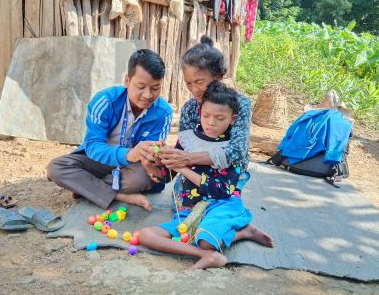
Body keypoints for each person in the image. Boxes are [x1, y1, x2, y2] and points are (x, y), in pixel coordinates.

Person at [153, 36, 274, 248]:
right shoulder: (191, 107)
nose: (194, 89)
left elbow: (236, 152)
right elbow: (185, 144)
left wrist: (186, 159)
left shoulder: (240, 104)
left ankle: (234, 225)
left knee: (219, 201)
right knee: (184, 208)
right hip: (195, 169)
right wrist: (167, 156)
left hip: (227, 171)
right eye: (189, 83)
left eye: (200, 82)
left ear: (218, 76)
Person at [139, 82, 263, 269]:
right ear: (200, 114)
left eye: (219, 118)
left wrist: (182, 167)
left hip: (221, 205)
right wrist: (159, 160)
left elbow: (221, 190)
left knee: (205, 238)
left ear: (232, 119)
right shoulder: (188, 139)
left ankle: (242, 232)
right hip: (188, 209)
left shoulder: (230, 150)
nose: (211, 122)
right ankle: (205, 255)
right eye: (206, 116)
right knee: (146, 235)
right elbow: (167, 175)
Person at [47, 49, 173, 211]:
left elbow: (153, 158)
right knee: (56, 168)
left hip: (132, 168)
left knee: (141, 179)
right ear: (127, 81)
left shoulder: (164, 112)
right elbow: (92, 146)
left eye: (155, 88)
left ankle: (88, 188)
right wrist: (127, 154)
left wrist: (155, 158)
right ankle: (119, 195)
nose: (148, 95)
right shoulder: (104, 101)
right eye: (141, 87)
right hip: (99, 161)